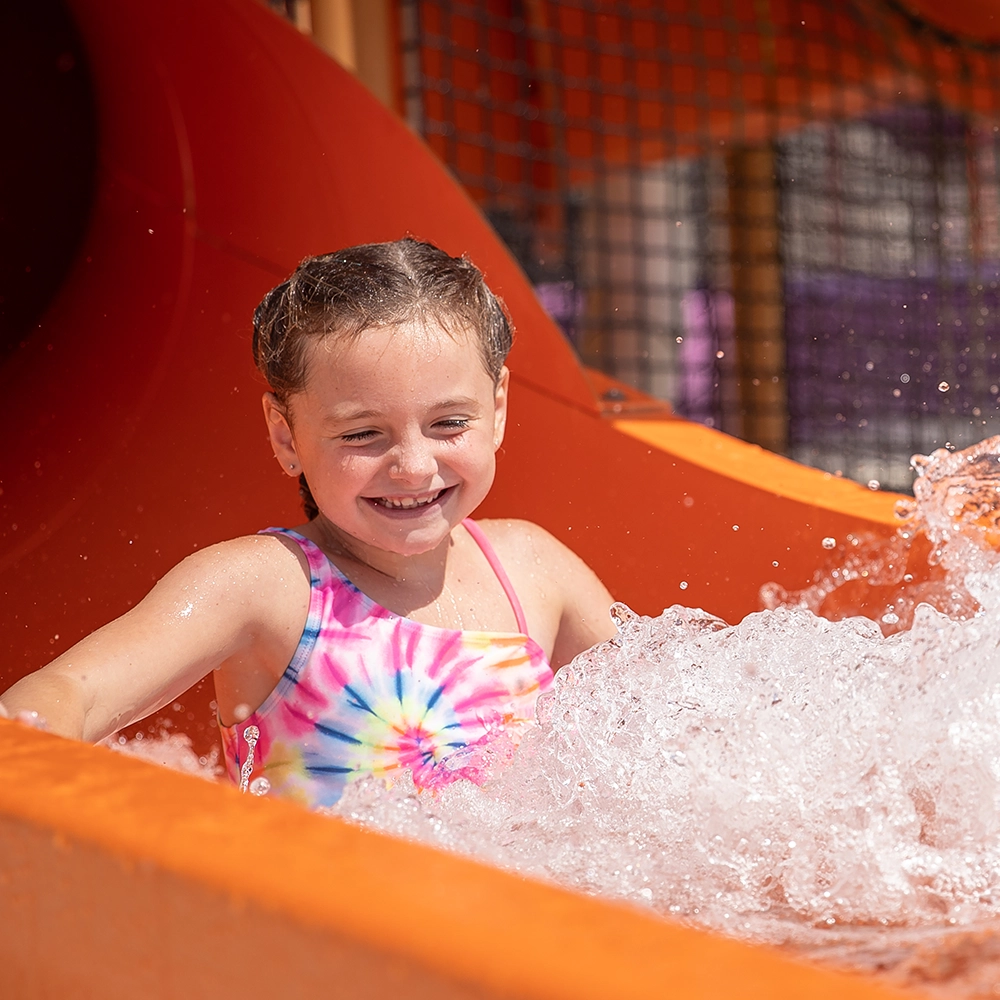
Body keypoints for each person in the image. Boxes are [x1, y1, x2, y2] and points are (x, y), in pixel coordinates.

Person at [0, 238, 616, 809]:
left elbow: (659, 737)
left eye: (449, 423)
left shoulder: (534, 570)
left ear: (499, 407)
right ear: (284, 434)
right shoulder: (267, 587)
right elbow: (65, 695)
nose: (412, 466)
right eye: (361, 434)